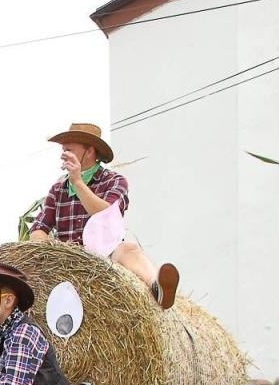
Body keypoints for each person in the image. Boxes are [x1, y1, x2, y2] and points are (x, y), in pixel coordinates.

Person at [28, 122, 180, 309]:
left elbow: (106, 214)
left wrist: (77, 181)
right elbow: (38, 228)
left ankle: (157, 288)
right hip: (65, 259)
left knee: (128, 249)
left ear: (89, 151)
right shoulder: (58, 189)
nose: (62, 155)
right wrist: (48, 250)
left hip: (105, 255)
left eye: (69, 150)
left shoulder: (115, 181)